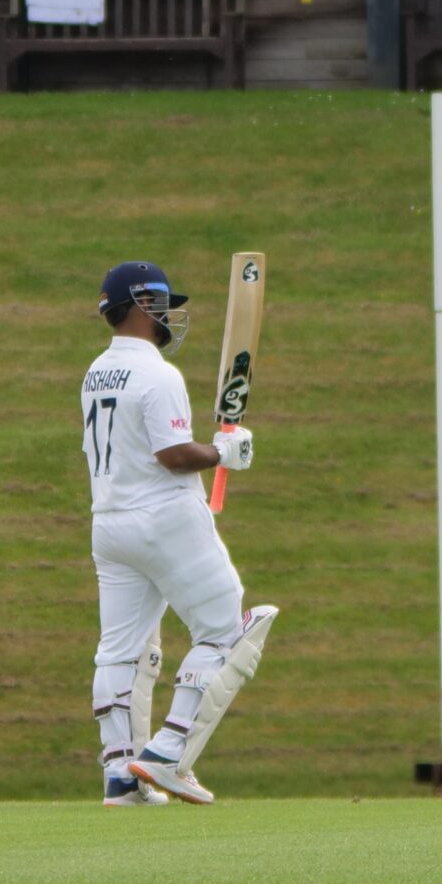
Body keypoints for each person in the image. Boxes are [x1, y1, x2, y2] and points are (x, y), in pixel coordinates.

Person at [83, 260, 275, 808]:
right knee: (224, 628)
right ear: (143, 305)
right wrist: (224, 453)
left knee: (117, 651)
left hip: (110, 525)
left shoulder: (96, 372)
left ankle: (121, 774)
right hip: (164, 516)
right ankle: (168, 751)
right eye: (164, 304)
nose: (171, 315)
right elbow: (172, 456)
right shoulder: (158, 375)